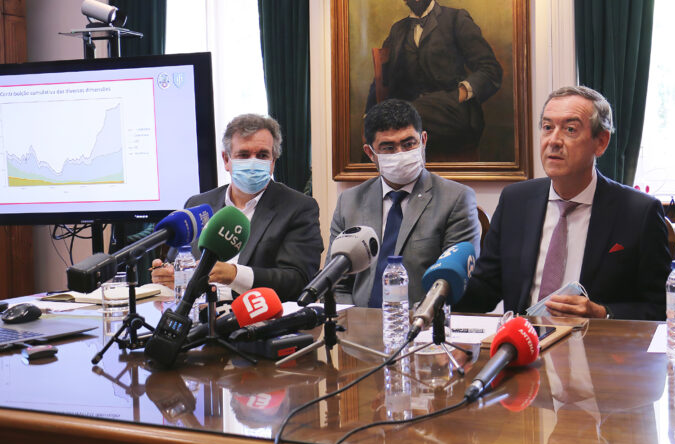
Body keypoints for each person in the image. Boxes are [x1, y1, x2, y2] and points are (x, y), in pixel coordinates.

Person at [458, 86, 671, 320]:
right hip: (523, 339)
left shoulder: (639, 213)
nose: (554, 141)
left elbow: (661, 307)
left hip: (595, 340)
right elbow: (485, 290)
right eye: (547, 127)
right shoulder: (515, 201)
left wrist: (603, 313)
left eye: (570, 129)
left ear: (601, 142)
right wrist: (443, 289)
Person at [152, 114, 323, 302]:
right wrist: (166, 275)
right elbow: (176, 262)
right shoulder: (198, 205)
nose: (253, 162)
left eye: (262, 155)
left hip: (256, 315)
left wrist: (234, 275)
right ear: (226, 160)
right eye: (243, 155)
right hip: (196, 314)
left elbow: (298, 280)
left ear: (273, 161)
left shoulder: (298, 208)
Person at [330, 99, 480, 307]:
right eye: (388, 147)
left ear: (423, 140)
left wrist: (416, 319)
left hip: (422, 320)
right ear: (370, 153)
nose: (400, 154)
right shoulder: (349, 202)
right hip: (358, 320)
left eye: (409, 144)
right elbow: (336, 283)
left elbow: (453, 284)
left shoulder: (456, 199)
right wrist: (353, 320)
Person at [368, 0, 503, 161]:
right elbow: (382, 79)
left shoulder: (455, 19)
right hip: (407, 115)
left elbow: (490, 69)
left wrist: (461, 93)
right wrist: (369, 115)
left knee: (390, 126)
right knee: (377, 136)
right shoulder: (398, 30)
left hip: (453, 112)